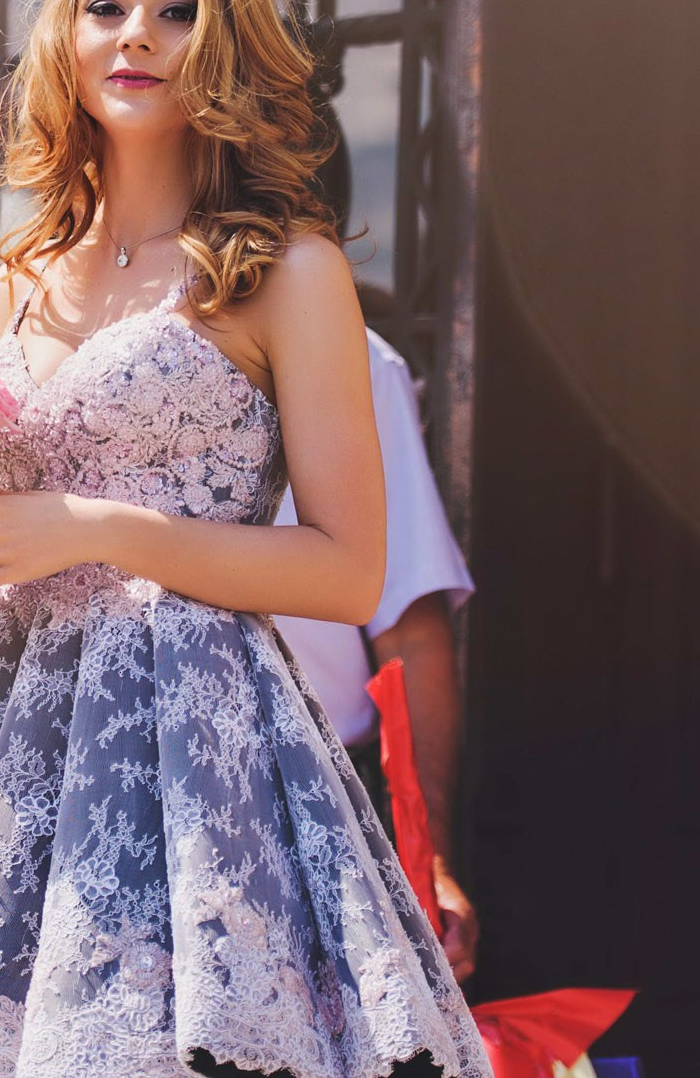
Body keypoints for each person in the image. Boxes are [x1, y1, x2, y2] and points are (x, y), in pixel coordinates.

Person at [0, 0, 490, 1078]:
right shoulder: (15, 277)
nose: (135, 36)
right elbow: (17, 537)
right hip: (13, 746)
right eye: (106, 6)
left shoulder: (285, 269)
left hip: (201, 749)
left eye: (173, 12)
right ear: (63, 37)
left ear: (221, 43)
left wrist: (95, 526)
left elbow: (349, 568)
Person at [271, 329, 480, 982]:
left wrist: (432, 858)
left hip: (317, 814)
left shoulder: (354, 359)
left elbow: (411, 634)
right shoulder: (50, 315)